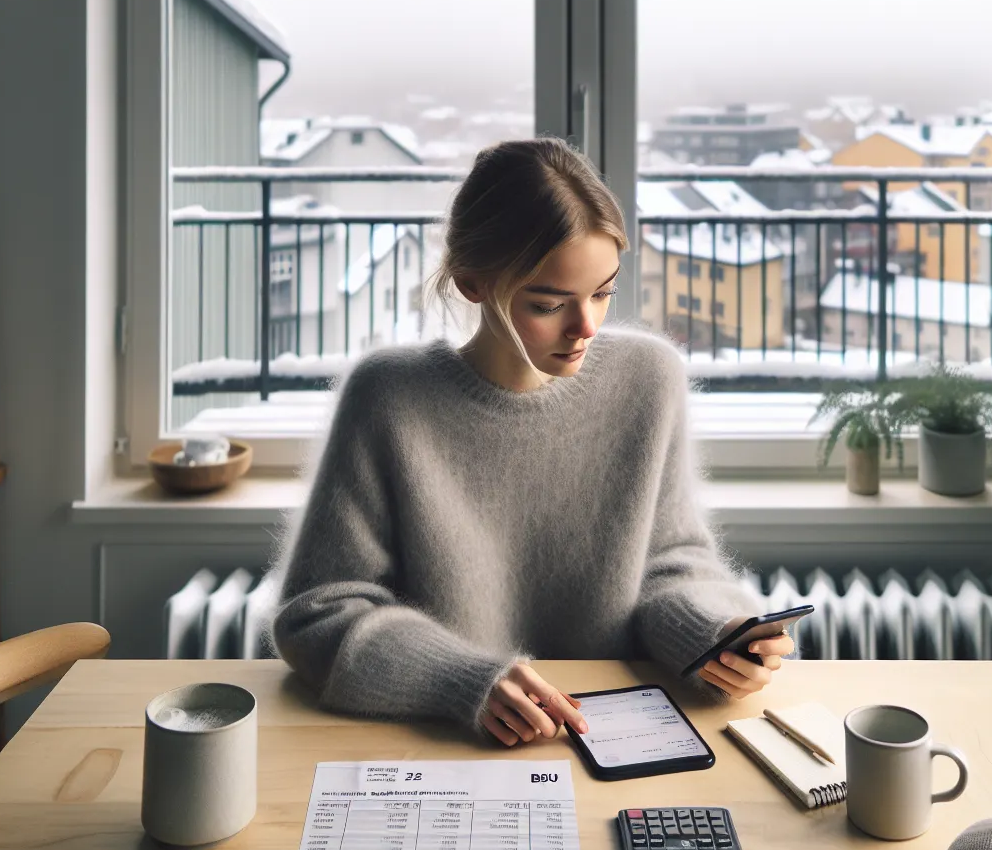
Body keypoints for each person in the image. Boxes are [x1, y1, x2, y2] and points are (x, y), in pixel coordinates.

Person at [272, 137, 792, 747]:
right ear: (472, 283)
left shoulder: (649, 380)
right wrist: (460, 680)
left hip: (619, 733)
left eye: (603, 292)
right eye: (548, 304)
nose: (585, 328)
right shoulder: (387, 397)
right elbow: (319, 613)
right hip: (450, 749)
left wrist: (713, 634)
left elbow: (670, 562)